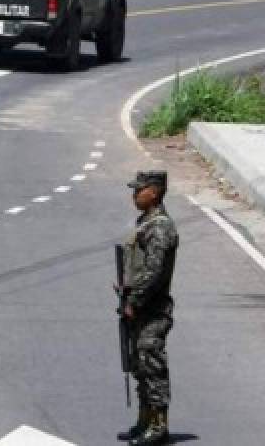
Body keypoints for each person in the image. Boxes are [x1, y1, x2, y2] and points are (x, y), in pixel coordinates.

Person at [117, 170, 179, 446]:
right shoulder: (146, 222)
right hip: (139, 307)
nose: (134, 195)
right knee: (140, 366)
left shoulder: (161, 227)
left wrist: (134, 299)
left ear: (153, 192)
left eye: (138, 190)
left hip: (152, 309)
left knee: (152, 364)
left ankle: (159, 426)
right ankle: (144, 421)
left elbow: (154, 271)